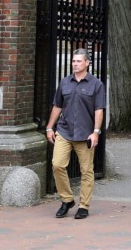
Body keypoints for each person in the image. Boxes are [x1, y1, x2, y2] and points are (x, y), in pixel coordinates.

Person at [45, 49, 105, 219]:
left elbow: (99, 110)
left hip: (85, 134)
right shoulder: (65, 83)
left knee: (86, 171)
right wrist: (50, 127)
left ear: (87, 63)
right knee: (57, 165)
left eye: (79, 61)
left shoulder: (96, 84)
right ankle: (67, 199)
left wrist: (95, 132)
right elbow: (57, 106)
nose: (75, 64)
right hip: (64, 130)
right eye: (73, 61)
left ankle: (84, 205)